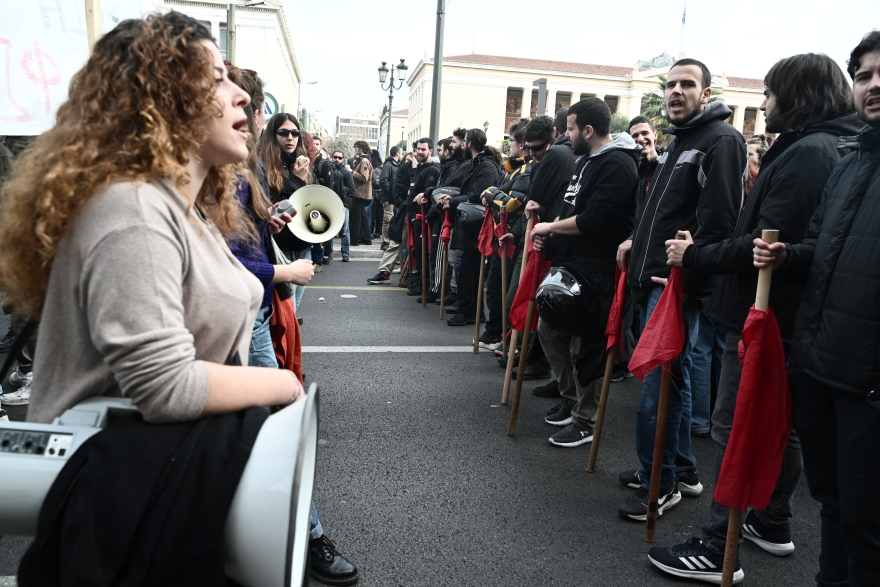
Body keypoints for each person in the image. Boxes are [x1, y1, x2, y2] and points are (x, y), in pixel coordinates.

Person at [0, 13, 305, 581]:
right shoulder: (133, 209)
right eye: (216, 78)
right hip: (121, 508)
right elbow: (164, 386)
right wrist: (285, 384)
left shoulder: (180, 208)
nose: (240, 95)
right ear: (160, 96)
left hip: (157, 494)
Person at [648, 51, 859, 585]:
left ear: (797, 95)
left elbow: (767, 245)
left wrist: (694, 255)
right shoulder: (818, 146)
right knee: (773, 424)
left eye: (769, 94)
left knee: (736, 425)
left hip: (767, 314)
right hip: (778, 315)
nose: (762, 105)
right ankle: (769, 518)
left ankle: (722, 541)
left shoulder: (811, 152)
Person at [752, 31, 880, 586]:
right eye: (864, 75)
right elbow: (828, 250)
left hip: (868, 384)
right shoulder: (852, 161)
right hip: (823, 368)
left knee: (868, 527)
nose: (873, 85)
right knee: (833, 507)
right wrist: (790, 253)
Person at [225, 63, 358, 587]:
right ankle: (305, 537)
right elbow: (219, 260)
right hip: (233, 320)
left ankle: (300, 534)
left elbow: (234, 246)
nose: (252, 124)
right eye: (253, 114)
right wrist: (284, 270)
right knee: (281, 425)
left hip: (250, 314)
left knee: (272, 428)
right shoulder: (217, 174)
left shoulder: (238, 172)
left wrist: (268, 220)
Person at [617, 58, 747, 521]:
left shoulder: (722, 141)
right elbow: (664, 211)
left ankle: (661, 481)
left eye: (687, 84)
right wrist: (637, 240)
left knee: (659, 385)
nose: (675, 91)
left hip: (674, 285)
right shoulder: (680, 141)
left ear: (706, 94)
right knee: (676, 378)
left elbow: (719, 225)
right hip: (656, 277)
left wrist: (685, 274)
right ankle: (684, 470)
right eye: (670, 84)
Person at [532, 98, 639, 447]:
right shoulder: (585, 160)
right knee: (549, 330)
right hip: (572, 265)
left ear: (588, 130)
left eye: (572, 128)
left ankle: (585, 420)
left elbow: (596, 220)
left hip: (598, 271)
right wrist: (548, 235)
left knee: (587, 348)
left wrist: (550, 227)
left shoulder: (618, 164)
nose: (566, 134)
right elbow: (570, 208)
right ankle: (573, 398)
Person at [477, 118, 533, 350]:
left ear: (521, 143)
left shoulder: (527, 170)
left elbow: (511, 203)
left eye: (510, 141)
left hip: (513, 238)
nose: (508, 145)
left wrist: (490, 192)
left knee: (505, 292)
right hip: (502, 236)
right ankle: (494, 332)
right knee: (494, 289)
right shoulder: (515, 168)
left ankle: (503, 335)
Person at [437, 129, 502, 326]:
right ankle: (471, 310)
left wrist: (454, 200)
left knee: (468, 271)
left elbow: (477, 195)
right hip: (468, 224)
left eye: (463, 141)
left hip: (475, 225)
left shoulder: (486, 166)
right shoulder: (476, 163)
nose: (460, 145)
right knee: (466, 271)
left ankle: (469, 312)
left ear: (470, 144)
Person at [257, 113, 314, 311]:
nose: (290, 137)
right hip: (278, 246)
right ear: (273, 135)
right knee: (281, 312)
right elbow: (272, 208)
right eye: (283, 132)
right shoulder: (263, 167)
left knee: (293, 311)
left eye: (295, 133)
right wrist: (297, 181)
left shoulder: (300, 166)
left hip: (302, 245)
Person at [326, 149, 354, 262]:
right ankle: (328, 253)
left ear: (343, 159)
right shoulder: (327, 170)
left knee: (345, 230)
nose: (337, 159)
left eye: (339, 157)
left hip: (342, 204)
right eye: (335, 157)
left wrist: (340, 188)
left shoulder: (346, 173)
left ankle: (345, 253)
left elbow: (351, 188)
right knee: (330, 230)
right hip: (330, 204)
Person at [349, 140, 373, 247]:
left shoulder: (364, 161)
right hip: (361, 193)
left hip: (360, 193)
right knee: (362, 217)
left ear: (362, 148)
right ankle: (366, 238)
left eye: (357, 147)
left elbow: (364, 178)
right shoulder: (363, 160)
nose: (355, 149)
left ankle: (354, 240)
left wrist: (351, 171)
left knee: (355, 217)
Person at [378, 146, 402, 250]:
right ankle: (385, 242)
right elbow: (383, 180)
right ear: (397, 154)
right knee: (387, 219)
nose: (402, 155)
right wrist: (391, 191)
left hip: (393, 197)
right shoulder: (388, 165)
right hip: (388, 197)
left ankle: (388, 241)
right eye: (401, 153)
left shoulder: (395, 165)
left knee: (390, 219)